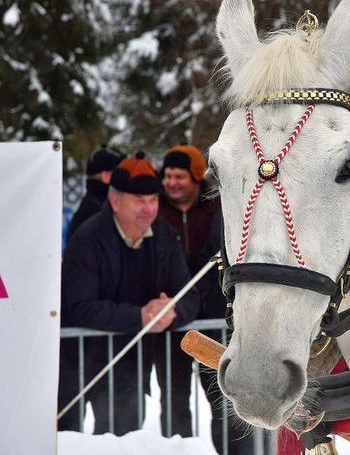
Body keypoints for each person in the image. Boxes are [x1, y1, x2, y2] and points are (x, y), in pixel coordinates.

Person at [61, 151, 201, 435]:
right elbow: (79, 306)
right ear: (115, 201)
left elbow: (190, 294)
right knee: (66, 438)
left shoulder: (164, 235)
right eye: (139, 201)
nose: (148, 209)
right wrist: (140, 316)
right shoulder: (87, 239)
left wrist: (172, 313)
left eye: (153, 200)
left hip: (130, 363)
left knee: (124, 441)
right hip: (76, 360)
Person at [156, 144, 256, 453]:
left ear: (196, 178)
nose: (172, 182)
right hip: (173, 323)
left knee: (221, 399)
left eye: (180, 176)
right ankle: (177, 448)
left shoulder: (218, 207)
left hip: (216, 319)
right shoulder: (157, 210)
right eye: (168, 175)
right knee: (173, 398)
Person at [58, 143, 126, 432]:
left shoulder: (95, 211)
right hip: (86, 337)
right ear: (107, 177)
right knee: (74, 426)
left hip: (98, 333)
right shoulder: (93, 218)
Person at [66, 144, 126, 242]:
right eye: (121, 174)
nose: (125, 180)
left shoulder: (96, 209)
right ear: (105, 177)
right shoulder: (98, 217)